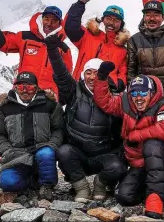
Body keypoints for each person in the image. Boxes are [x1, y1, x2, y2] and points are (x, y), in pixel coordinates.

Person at [44, 34, 127, 203]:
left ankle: (100, 183)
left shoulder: (116, 97)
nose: (91, 77)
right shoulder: (74, 90)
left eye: (96, 73)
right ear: (83, 75)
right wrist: (53, 51)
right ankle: (81, 187)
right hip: (78, 153)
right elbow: (61, 74)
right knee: (64, 152)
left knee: (118, 166)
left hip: (104, 154)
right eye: (88, 72)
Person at [93, 62, 164, 219]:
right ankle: (157, 188)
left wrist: (133, 136)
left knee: (152, 144)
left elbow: (163, 130)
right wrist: (101, 78)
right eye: (134, 93)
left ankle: (155, 199)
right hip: (138, 162)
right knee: (124, 197)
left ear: (151, 92)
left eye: (143, 92)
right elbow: (105, 102)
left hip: (163, 159)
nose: (138, 97)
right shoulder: (126, 102)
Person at [0, 71, 64, 201]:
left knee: (46, 154)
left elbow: (59, 129)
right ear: (15, 87)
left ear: (36, 87)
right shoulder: (4, 108)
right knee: (7, 183)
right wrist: (7, 150)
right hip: (16, 156)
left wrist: (52, 145)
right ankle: (32, 182)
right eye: (21, 86)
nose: (25, 90)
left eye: (29, 86)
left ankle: (47, 185)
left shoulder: (49, 104)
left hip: (42, 150)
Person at [0, 6, 73, 97]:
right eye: (46, 19)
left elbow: (65, 78)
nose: (49, 23)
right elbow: (1, 42)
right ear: (41, 19)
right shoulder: (25, 37)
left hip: (48, 100)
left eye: (54, 20)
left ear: (60, 24)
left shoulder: (63, 49)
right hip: (22, 94)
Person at [65, 0, 129, 93]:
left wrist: (116, 85)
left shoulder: (123, 50)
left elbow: (123, 74)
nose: (111, 23)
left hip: (105, 94)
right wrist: (81, 3)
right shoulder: (87, 36)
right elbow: (70, 26)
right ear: (102, 20)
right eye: (108, 18)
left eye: (116, 20)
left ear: (121, 24)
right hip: (79, 90)